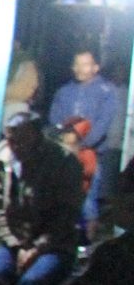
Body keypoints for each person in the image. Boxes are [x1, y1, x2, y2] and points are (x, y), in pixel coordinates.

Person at [0, 113, 84, 285]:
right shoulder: (3, 160)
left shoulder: (63, 162)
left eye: (21, 139)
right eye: (11, 139)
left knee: (32, 283)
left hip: (56, 245)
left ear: (36, 136)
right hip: (16, 242)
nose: (15, 146)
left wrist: (38, 248)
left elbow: (67, 215)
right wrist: (16, 245)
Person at [49, 46, 126, 217]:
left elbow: (102, 124)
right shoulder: (64, 91)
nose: (80, 69)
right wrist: (62, 137)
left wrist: (81, 143)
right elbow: (54, 118)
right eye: (76, 64)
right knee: (62, 202)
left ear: (95, 67)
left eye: (85, 64)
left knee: (88, 203)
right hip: (64, 154)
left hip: (91, 155)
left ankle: (88, 231)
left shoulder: (106, 91)